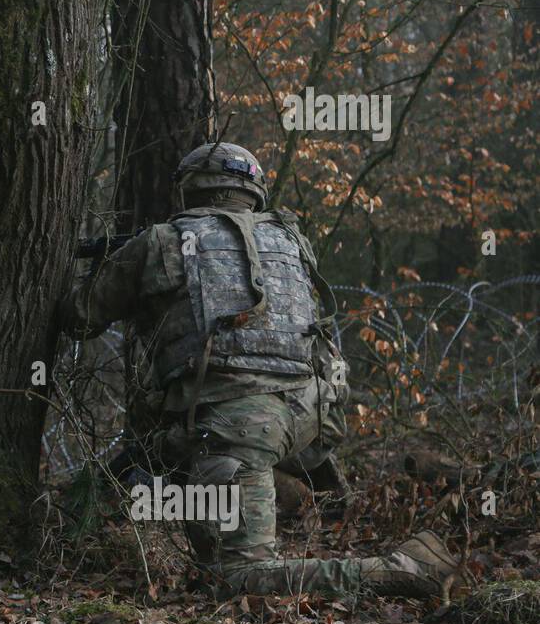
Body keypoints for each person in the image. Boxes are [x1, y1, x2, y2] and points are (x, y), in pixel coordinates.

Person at [59, 142, 466, 600]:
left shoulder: (161, 242)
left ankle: (404, 567)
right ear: (252, 190)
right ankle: (266, 490)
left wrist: (106, 267)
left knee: (234, 577)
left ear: (190, 189)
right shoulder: (290, 237)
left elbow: (79, 316)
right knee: (169, 445)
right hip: (314, 414)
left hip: (242, 426)